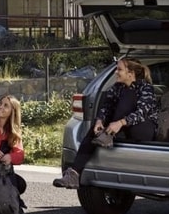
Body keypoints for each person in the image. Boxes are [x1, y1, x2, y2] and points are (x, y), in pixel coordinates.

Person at [53, 57, 159, 189]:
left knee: (128, 95)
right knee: (94, 129)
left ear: (130, 73)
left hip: (143, 130)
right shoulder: (117, 87)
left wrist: (120, 123)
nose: (116, 72)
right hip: (123, 128)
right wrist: (99, 121)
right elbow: (106, 106)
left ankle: (108, 136)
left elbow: (142, 112)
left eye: (119, 69)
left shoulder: (146, 88)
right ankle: (74, 174)